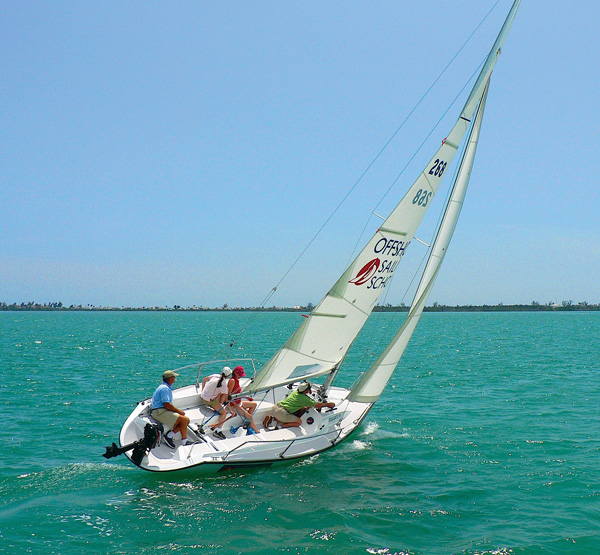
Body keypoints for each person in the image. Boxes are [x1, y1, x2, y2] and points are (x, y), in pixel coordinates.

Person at [263, 382, 335, 430]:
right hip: (281, 413)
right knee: (298, 422)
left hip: (275, 407)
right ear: (306, 390)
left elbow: (296, 403)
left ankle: (273, 418)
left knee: (290, 413)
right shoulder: (304, 398)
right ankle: (280, 427)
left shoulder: (295, 392)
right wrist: (328, 404)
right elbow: (317, 405)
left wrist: (304, 407)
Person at [151, 370, 190, 448]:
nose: (175, 378)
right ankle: (184, 441)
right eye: (174, 377)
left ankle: (169, 436)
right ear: (170, 378)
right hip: (159, 412)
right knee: (185, 420)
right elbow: (167, 405)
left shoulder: (165, 387)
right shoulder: (165, 389)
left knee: (186, 420)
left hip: (161, 410)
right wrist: (179, 411)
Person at [200, 366, 232, 438]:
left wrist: (203, 390)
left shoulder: (215, 375)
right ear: (228, 375)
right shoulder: (223, 384)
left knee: (218, 394)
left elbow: (204, 379)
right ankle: (218, 430)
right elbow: (225, 397)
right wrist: (225, 403)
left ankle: (215, 408)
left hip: (202, 396)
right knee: (224, 413)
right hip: (209, 400)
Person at [226, 366, 259, 434]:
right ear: (235, 373)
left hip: (239, 403)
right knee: (250, 417)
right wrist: (236, 406)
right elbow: (229, 396)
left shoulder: (237, 380)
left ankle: (247, 423)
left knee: (254, 405)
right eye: (239, 375)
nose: (241, 376)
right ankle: (257, 432)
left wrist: (246, 397)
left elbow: (238, 393)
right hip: (234, 405)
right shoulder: (232, 381)